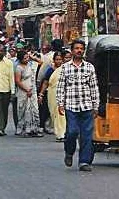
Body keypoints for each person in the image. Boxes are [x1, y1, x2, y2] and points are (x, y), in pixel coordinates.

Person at [57, 39, 99, 171]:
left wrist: (95, 105)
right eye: (77, 48)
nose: (79, 50)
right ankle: (69, 152)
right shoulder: (65, 67)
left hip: (87, 105)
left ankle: (84, 162)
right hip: (71, 106)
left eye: (81, 48)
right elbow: (61, 86)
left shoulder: (89, 67)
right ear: (72, 50)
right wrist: (60, 103)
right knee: (72, 132)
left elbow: (94, 87)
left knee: (86, 135)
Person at [14, 50, 42, 137]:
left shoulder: (31, 65)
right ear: (20, 59)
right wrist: (26, 90)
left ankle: (34, 128)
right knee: (23, 110)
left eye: (27, 58)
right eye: (25, 58)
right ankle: (23, 129)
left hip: (32, 91)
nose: (27, 59)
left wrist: (32, 57)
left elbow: (41, 62)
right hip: (23, 91)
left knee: (34, 110)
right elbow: (17, 81)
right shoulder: (18, 67)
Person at [41, 50, 67, 142]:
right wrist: (41, 94)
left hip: (63, 95)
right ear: (54, 60)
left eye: (60, 59)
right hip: (52, 94)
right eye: (57, 59)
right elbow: (45, 82)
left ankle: (61, 134)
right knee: (54, 113)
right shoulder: (50, 70)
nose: (59, 61)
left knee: (61, 114)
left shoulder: (66, 69)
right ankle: (59, 132)